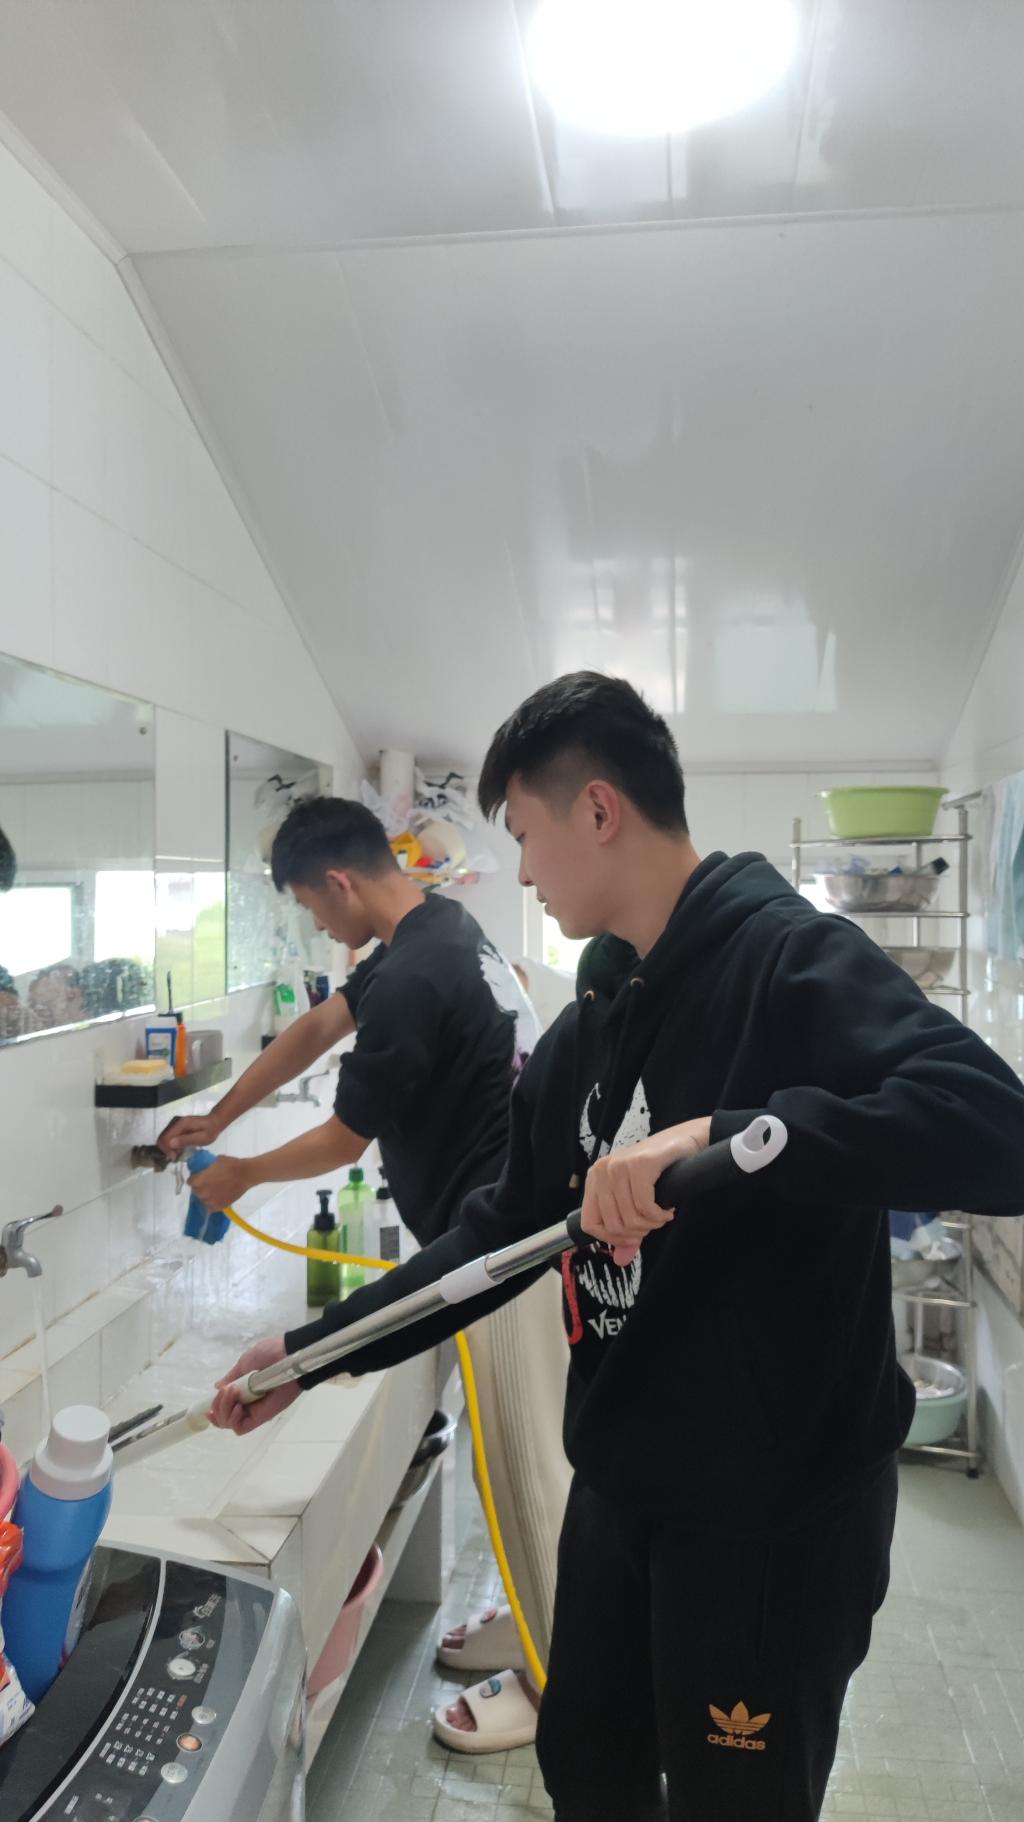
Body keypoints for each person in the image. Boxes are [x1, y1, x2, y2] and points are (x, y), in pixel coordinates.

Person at [209, 673, 1024, 1822]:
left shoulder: (790, 959)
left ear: (597, 809)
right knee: (587, 1770)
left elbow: (995, 1131)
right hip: (621, 1487)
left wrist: (727, 1134)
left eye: (525, 835)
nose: (522, 874)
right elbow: (494, 1232)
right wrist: (307, 1355)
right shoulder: (592, 1025)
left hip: (769, 1517)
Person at [160, 793, 568, 1744]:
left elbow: (344, 1140)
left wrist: (241, 1174)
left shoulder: (415, 975)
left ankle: (560, 1687)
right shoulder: (433, 929)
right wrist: (220, 1117)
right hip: (518, 1227)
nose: (317, 924)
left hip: (504, 1255)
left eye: (312, 905)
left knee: (528, 1467)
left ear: (339, 882)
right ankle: (537, 1625)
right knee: (520, 1459)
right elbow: (316, 1028)